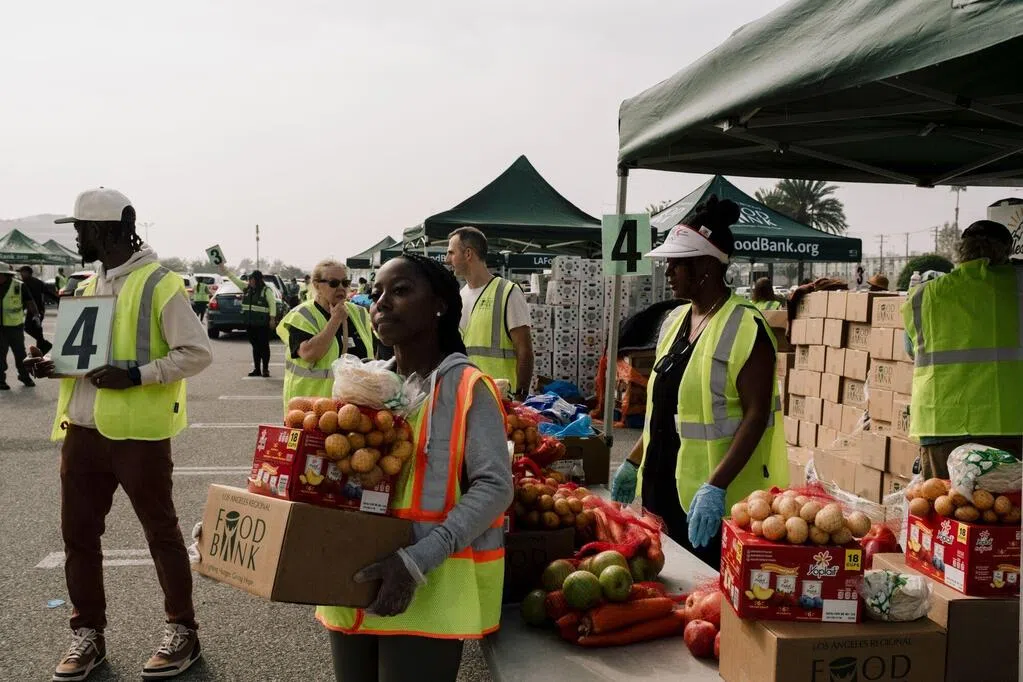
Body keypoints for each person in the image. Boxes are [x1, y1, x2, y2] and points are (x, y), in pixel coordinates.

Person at [26, 187, 212, 680]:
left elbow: (197, 353)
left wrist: (136, 375)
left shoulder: (159, 283)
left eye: (81, 229)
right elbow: (82, 358)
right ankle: (88, 634)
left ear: (105, 229)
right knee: (78, 537)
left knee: (161, 533)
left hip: (138, 435)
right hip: (82, 431)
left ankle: (183, 631)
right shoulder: (88, 285)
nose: (77, 238)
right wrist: (53, 364)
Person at [316, 253, 513, 682]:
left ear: (439, 305)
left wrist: (416, 561)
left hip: (428, 588)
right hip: (353, 580)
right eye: (376, 293)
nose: (381, 303)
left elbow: (495, 487)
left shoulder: (467, 388)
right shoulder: (367, 387)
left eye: (401, 291)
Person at [609, 196, 788, 569]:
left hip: (710, 501)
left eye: (677, 263)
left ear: (706, 265)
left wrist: (716, 486)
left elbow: (756, 416)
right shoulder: (675, 321)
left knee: (705, 591)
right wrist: (632, 460)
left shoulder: (746, 327)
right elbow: (664, 408)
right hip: (661, 489)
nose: (668, 271)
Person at [903, 219, 1022, 478]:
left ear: (961, 251)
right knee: (1008, 502)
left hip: (941, 424)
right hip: (1011, 424)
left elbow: (911, 349)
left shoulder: (924, 295)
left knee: (942, 500)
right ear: (1008, 250)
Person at [445, 226, 533, 399]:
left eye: (451, 253)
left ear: (468, 254)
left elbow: (525, 351)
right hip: (469, 397)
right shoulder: (460, 296)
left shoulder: (508, 292)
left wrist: (520, 396)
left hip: (501, 399)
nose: (447, 259)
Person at [276, 259, 375, 410]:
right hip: (312, 410)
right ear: (317, 285)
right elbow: (309, 353)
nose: (341, 288)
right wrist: (335, 320)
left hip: (354, 409)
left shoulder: (359, 313)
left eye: (345, 283)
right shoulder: (302, 315)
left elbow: (372, 355)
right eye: (334, 283)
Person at [220, 265, 276, 377]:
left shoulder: (266, 291)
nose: (250, 281)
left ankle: (265, 369)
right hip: (250, 324)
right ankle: (257, 369)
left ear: (257, 280)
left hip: (262, 324)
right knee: (255, 346)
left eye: (252, 279)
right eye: (249, 280)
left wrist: (272, 319)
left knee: (264, 346)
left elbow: (272, 304)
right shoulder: (247, 288)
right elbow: (234, 279)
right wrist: (224, 269)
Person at [0, 262, 40, 389]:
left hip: (15, 326)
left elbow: (29, 301)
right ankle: (0, 380)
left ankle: (24, 376)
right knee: (0, 354)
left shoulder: (18, 286)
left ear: (5, 274)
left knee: (20, 354)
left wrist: (36, 315)